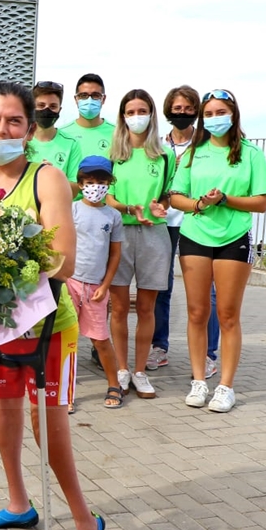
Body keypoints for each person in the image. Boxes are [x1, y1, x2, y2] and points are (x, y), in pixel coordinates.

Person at [0, 82, 104, 530]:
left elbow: (63, 260)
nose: (2, 128)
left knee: (49, 429)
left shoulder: (46, 178)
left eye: (13, 121)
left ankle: (86, 523)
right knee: (1, 415)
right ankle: (19, 504)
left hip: (49, 325)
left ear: (28, 130)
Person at [169, 89, 266, 413]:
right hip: (195, 236)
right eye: (209, 114)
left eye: (221, 112)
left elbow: (262, 201)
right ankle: (199, 381)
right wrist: (200, 203)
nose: (215, 119)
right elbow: (176, 197)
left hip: (234, 237)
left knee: (227, 315)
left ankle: (225, 386)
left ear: (234, 114)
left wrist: (225, 199)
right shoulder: (193, 153)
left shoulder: (251, 154)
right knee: (197, 312)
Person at [103, 89, 175, 400]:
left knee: (147, 307)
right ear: (122, 116)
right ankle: (121, 369)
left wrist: (161, 207)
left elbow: (169, 194)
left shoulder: (164, 155)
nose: (136, 117)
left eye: (142, 110)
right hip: (119, 233)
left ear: (152, 114)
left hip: (155, 235)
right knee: (118, 307)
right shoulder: (113, 155)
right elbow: (105, 195)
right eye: (130, 111)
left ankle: (141, 371)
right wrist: (128, 208)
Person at [149, 86, 219, 378]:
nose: (182, 114)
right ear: (168, 111)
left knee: (206, 293)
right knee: (160, 288)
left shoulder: (205, 144)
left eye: (188, 109)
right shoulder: (157, 145)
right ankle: (159, 347)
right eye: (177, 109)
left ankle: (208, 353)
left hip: (196, 222)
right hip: (164, 224)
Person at [66, 156, 125, 409]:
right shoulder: (71, 209)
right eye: (90, 181)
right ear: (80, 183)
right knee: (65, 340)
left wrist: (106, 285)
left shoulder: (113, 216)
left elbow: (115, 254)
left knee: (100, 339)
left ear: (109, 184)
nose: (95, 186)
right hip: (69, 283)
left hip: (96, 288)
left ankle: (114, 384)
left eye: (101, 182)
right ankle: (64, 393)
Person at [27, 80, 82, 198]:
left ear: (59, 110)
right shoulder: (21, 140)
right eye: (41, 105)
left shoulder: (71, 143)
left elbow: (74, 189)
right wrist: (35, 174)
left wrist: (52, 177)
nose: (47, 110)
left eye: (53, 106)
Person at [59, 73, 115, 161]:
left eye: (95, 95)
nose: (89, 100)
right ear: (76, 99)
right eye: (83, 96)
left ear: (103, 99)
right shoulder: (62, 134)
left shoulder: (117, 133)